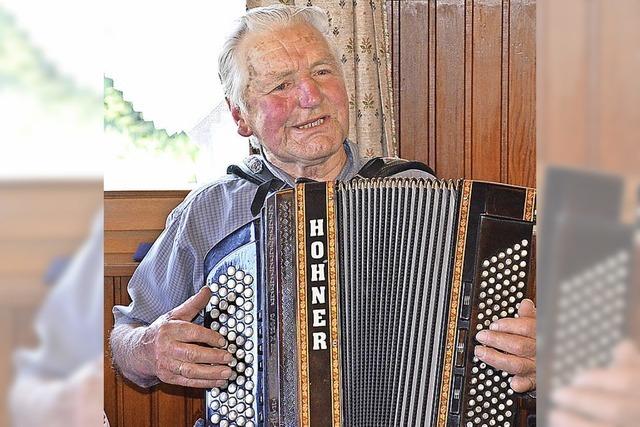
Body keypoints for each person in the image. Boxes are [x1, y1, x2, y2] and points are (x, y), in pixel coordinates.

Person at [110, 3, 536, 401]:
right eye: (280, 85)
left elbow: (490, 347)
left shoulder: (421, 194)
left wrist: (529, 356)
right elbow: (127, 335)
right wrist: (147, 348)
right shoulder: (210, 211)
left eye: (322, 71)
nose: (311, 97)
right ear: (240, 116)